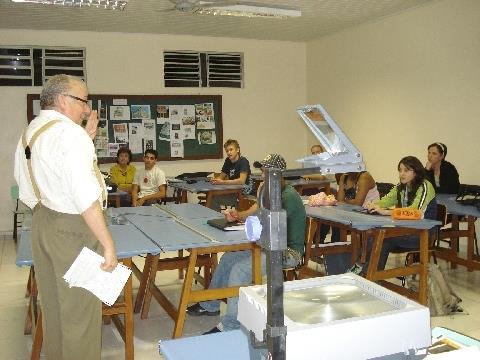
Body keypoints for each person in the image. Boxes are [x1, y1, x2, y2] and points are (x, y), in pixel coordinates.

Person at [14, 74, 117, 359]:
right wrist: (107, 243)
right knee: (80, 318)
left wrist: (86, 138)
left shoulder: (32, 131)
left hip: (42, 222)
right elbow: (84, 196)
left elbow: (30, 183)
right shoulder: (70, 135)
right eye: (83, 101)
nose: (86, 109)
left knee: (56, 309)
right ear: (62, 100)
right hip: (72, 230)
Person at [187, 154, 306, 333]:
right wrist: (238, 215)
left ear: (279, 175)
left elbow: (271, 228)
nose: (263, 176)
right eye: (263, 172)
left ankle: (231, 326)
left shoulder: (288, 196)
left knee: (240, 270)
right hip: (267, 246)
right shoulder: (268, 189)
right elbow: (256, 210)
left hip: (286, 252)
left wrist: (249, 225)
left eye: (267, 173)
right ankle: (210, 305)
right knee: (228, 258)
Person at [362, 156, 436, 272]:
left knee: (383, 238)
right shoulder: (401, 187)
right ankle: (367, 274)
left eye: (406, 170)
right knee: (373, 235)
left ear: (416, 172)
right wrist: (372, 204)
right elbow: (385, 201)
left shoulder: (425, 186)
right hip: (405, 229)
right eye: (400, 170)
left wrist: (386, 212)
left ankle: (373, 277)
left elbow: (415, 212)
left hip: (422, 233)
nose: (402, 174)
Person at [209, 139, 253, 211]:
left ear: (237, 150)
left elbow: (241, 181)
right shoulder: (227, 161)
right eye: (227, 151)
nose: (229, 152)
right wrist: (215, 180)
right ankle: (217, 220)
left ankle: (217, 220)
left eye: (231, 150)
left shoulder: (243, 161)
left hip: (245, 194)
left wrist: (223, 182)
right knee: (212, 196)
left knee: (214, 199)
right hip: (234, 191)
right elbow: (221, 177)